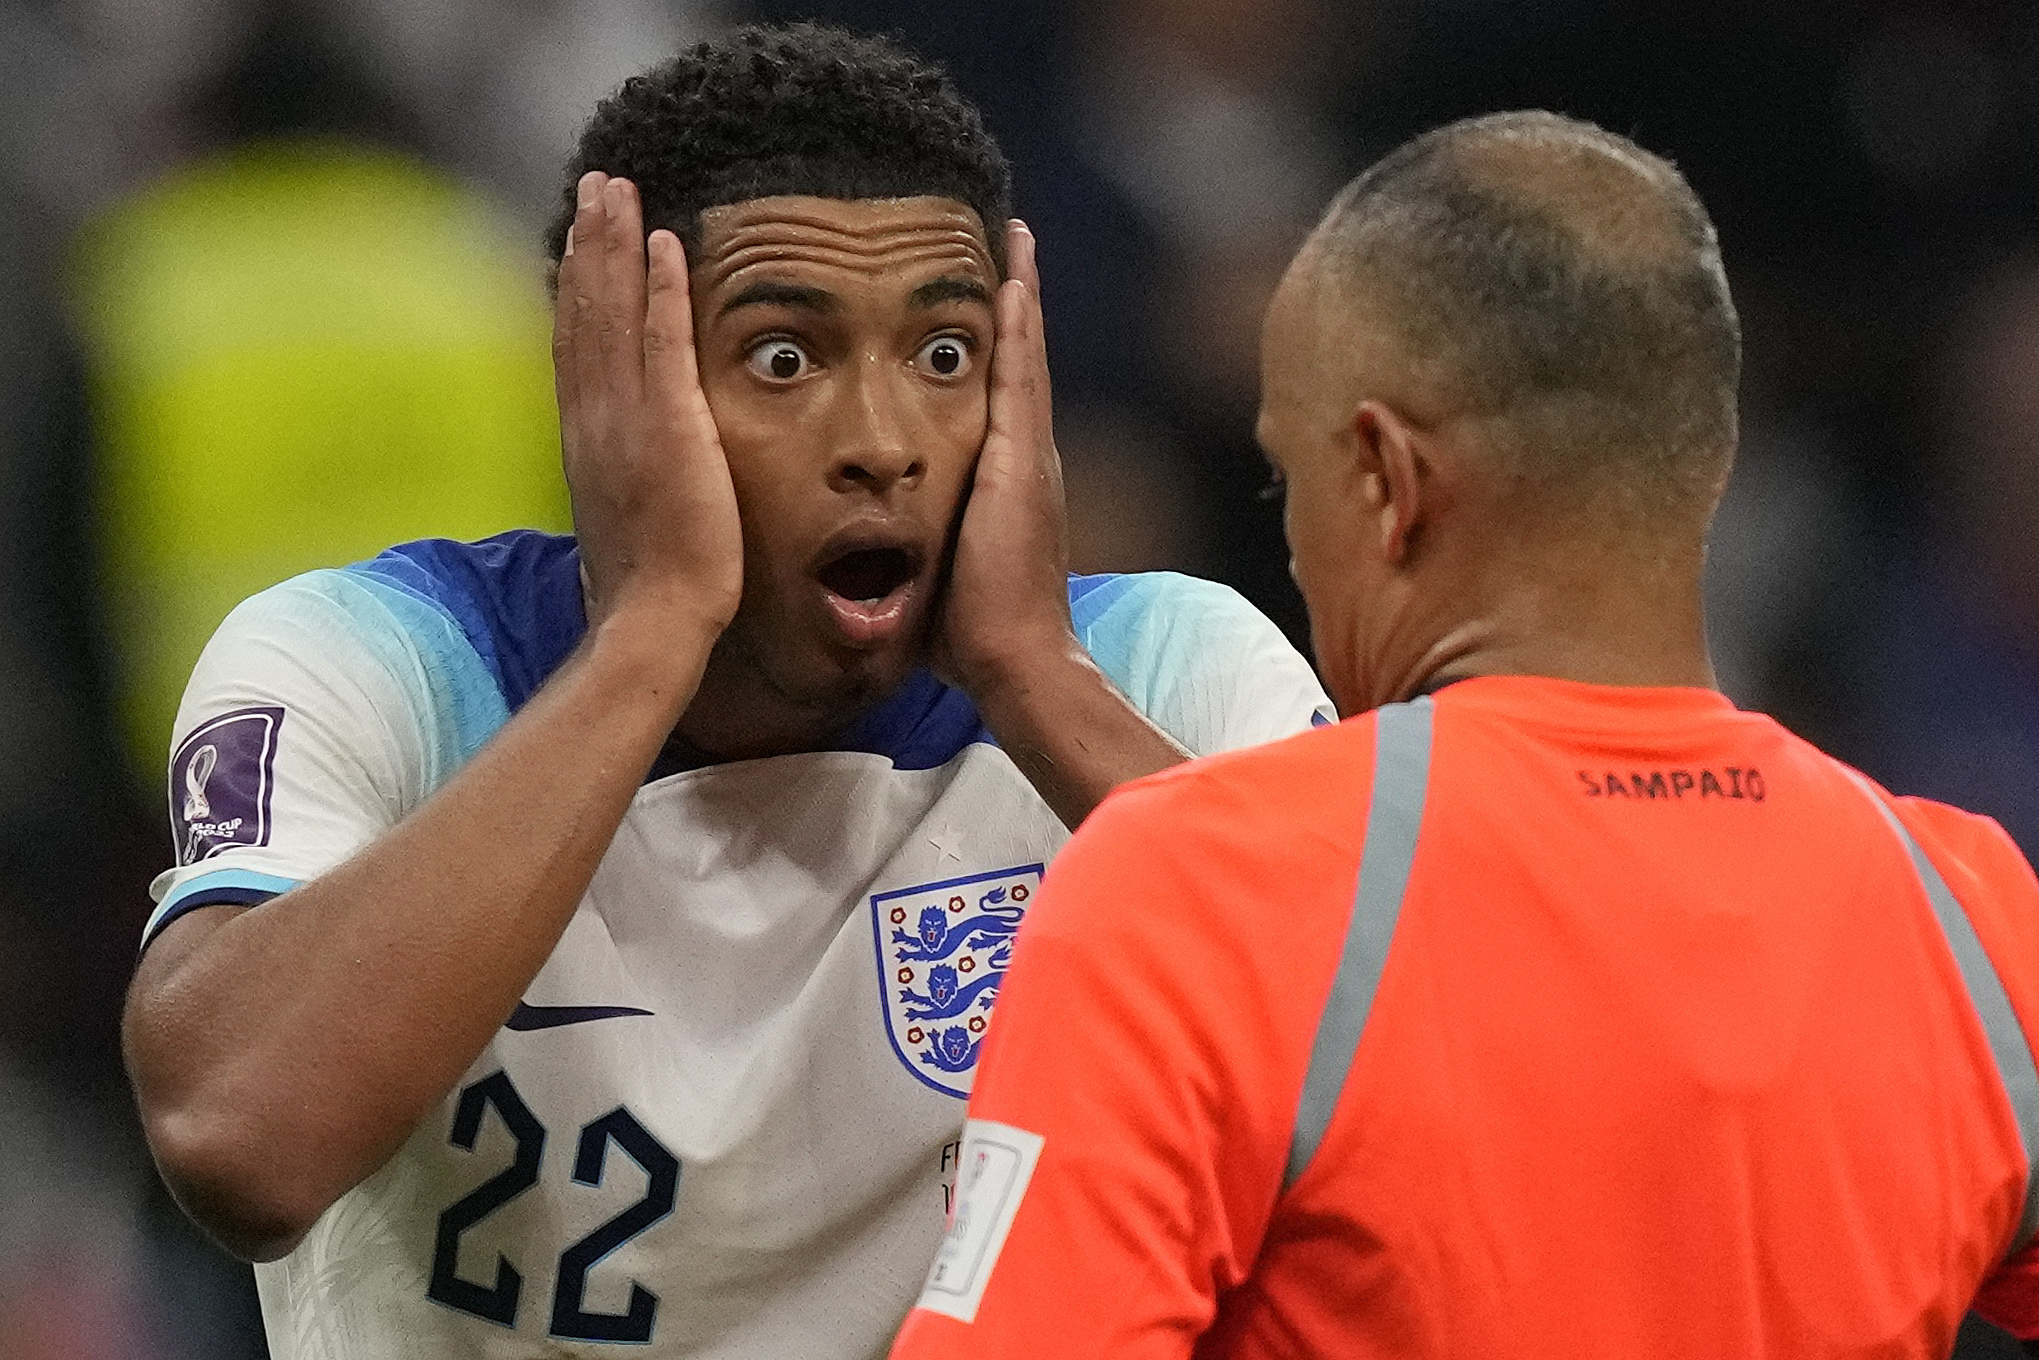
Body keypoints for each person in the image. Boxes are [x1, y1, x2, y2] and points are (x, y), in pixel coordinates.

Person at [121, 24, 1331, 1360]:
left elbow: (1412, 1107)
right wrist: (647, 637)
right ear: (605, 379)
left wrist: (1030, 676)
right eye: (781, 359)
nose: (881, 444)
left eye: (942, 355)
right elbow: (241, 1140)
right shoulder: (370, 660)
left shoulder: (1171, 667)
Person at [890, 111, 2039, 1359]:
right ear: (1700, 460)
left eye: (1292, 479)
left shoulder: (1189, 886)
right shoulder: (1971, 913)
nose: (1290, 542)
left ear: (1384, 480)